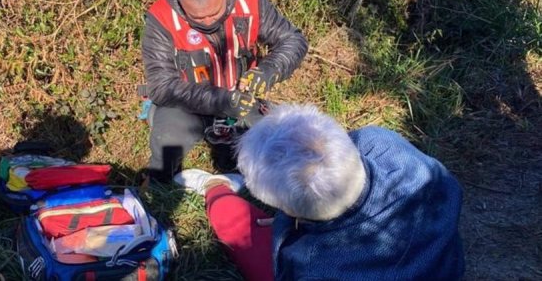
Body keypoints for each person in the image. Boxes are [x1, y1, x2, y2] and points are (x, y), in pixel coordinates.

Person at [174, 104, 465, 281]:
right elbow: (452, 187)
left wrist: (286, 228)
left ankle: (216, 188)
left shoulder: (313, 265)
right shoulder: (383, 143)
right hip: (444, 269)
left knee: (236, 222)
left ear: (289, 211)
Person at [141, 0, 308, 183]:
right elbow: (161, 86)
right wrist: (220, 100)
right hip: (187, 105)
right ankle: (158, 189)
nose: (208, 22)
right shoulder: (161, 17)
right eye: (198, 17)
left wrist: (269, 70)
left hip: (242, 100)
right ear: (179, 1)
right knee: (167, 140)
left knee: (277, 146)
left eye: (215, 13)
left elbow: (292, 40)